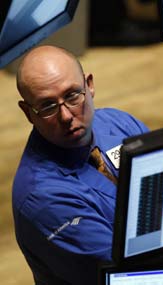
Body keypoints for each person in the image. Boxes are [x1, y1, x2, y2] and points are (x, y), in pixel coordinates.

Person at [12, 45, 149, 285]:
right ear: (28, 112)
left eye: (73, 95)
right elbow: (130, 275)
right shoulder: (44, 199)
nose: (66, 116)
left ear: (90, 85)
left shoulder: (118, 123)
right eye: (47, 106)